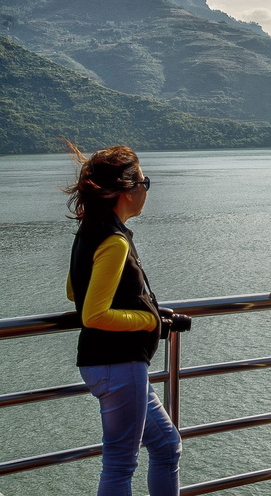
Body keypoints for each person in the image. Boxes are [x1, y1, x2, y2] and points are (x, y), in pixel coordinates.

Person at [64, 143, 191, 496]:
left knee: (166, 446)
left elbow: (75, 291)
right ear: (126, 191)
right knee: (121, 463)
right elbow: (93, 314)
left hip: (113, 365)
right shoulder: (115, 240)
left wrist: (143, 308)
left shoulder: (91, 230)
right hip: (117, 365)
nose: (146, 190)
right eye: (144, 182)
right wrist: (148, 320)